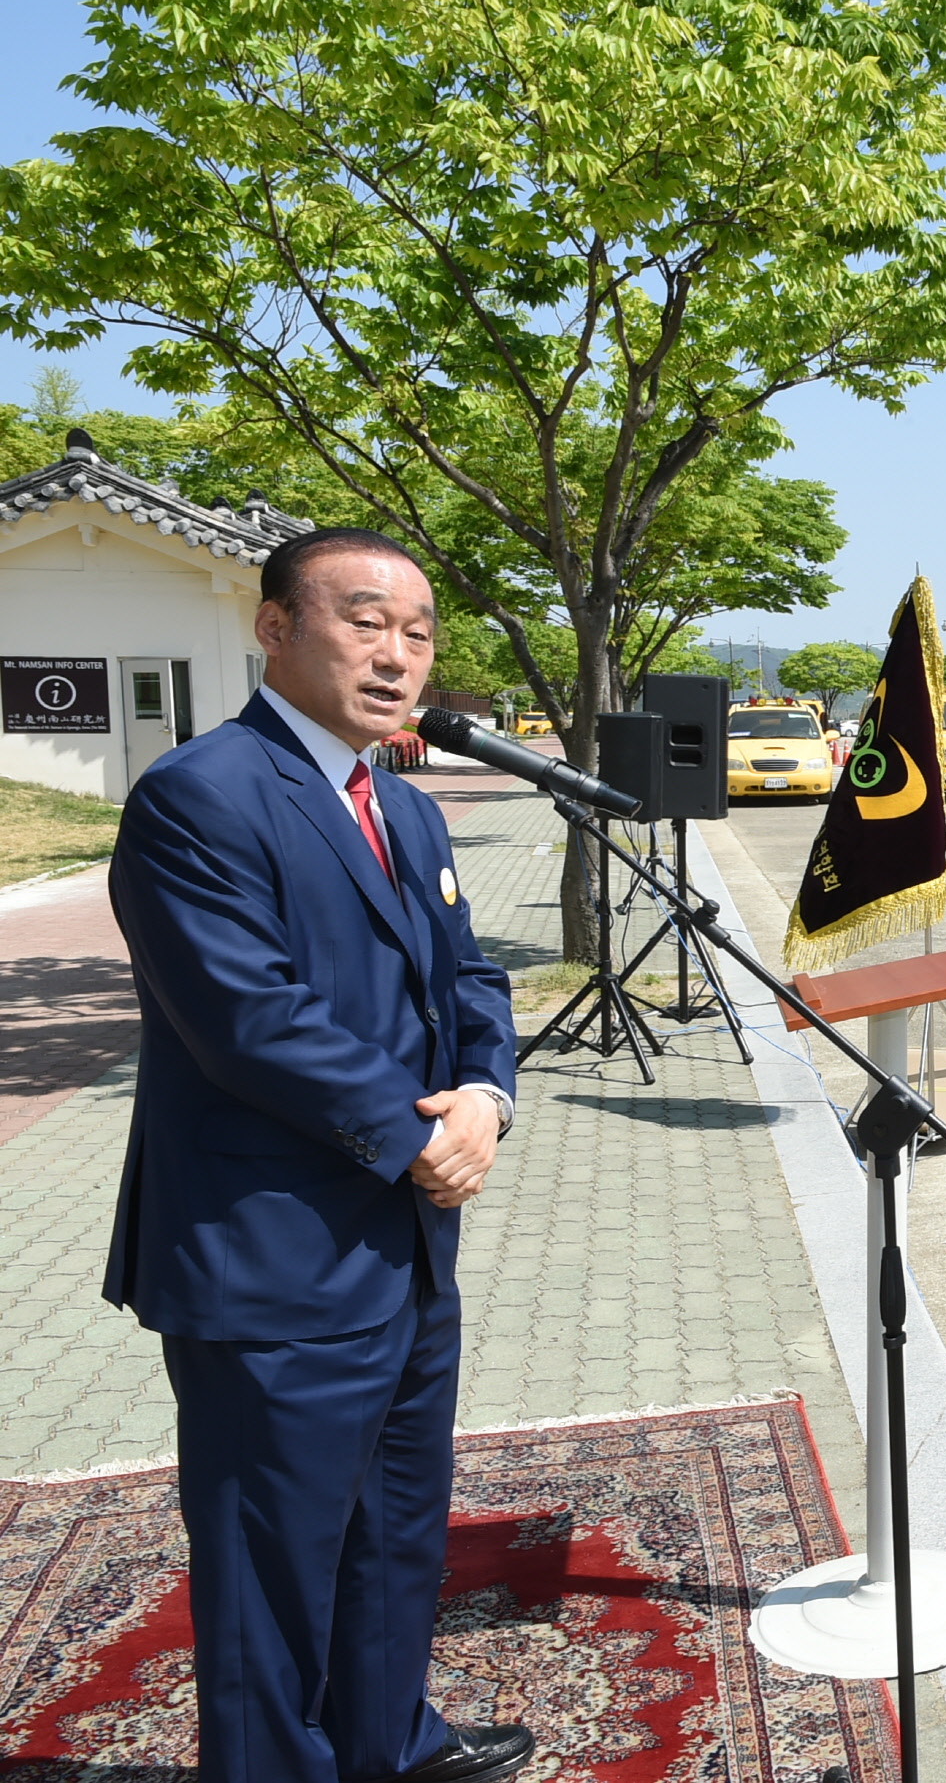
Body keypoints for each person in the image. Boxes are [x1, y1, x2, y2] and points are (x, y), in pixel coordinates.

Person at [105, 527, 531, 1783]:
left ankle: (389, 1742)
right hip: (272, 1255)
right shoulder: (200, 794)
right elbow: (251, 1020)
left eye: (419, 631)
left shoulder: (401, 802)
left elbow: (471, 976)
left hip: (403, 1244)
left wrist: (488, 1101)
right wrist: (418, 1135)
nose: (398, 655)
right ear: (275, 628)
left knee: (397, 1530)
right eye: (364, 622)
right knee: (270, 1565)